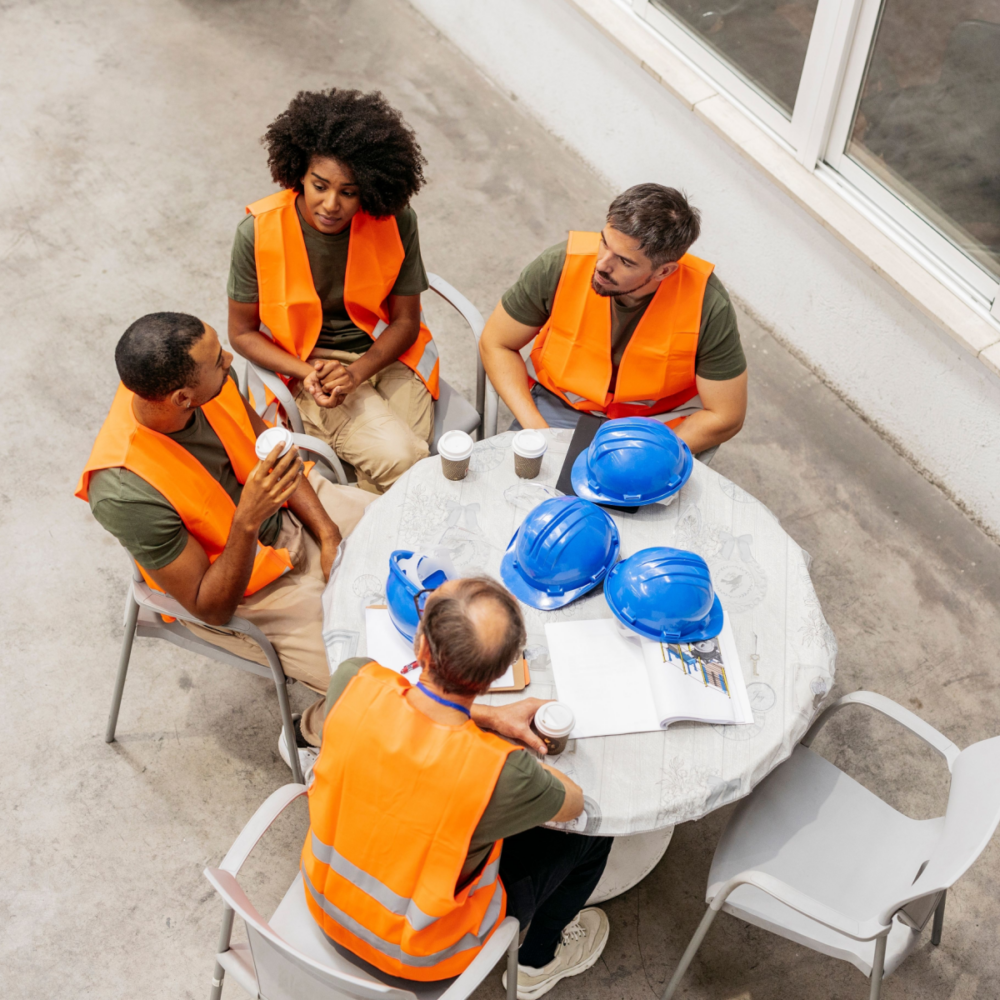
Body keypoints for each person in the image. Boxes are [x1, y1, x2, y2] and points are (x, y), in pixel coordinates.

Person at [303, 577, 613, 1000]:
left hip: (324, 903)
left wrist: (484, 718)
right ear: (499, 674)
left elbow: (411, 706)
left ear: (421, 647)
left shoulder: (353, 680)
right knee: (594, 838)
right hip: (422, 957)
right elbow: (573, 803)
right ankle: (538, 961)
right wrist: (492, 734)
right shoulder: (501, 772)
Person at [76, 312, 374, 748]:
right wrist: (249, 519)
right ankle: (309, 736)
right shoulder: (124, 490)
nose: (230, 358)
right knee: (373, 674)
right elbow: (209, 607)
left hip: (293, 506)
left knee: (422, 538)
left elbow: (269, 453)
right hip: (250, 588)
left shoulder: (210, 381)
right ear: (182, 398)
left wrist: (328, 536)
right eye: (218, 359)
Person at [228, 88, 437, 494]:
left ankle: (363, 545)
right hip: (312, 367)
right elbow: (241, 333)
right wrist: (311, 374)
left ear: (372, 189)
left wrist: (357, 373)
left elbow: (406, 321)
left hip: (388, 356)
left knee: (401, 470)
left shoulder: (395, 220)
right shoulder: (258, 231)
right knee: (406, 461)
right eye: (319, 185)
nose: (330, 204)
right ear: (298, 175)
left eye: (349, 191)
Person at [480, 184, 747, 458]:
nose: (602, 264)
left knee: (630, 500)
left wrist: (652, 455)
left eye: (625, 261)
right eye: (604, 242)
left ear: (664, 271)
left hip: (654, 425)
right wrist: (538, 430)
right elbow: (497, 343)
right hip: (560, 405)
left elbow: (726, 415)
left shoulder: (708, 305)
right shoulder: (559, 264)